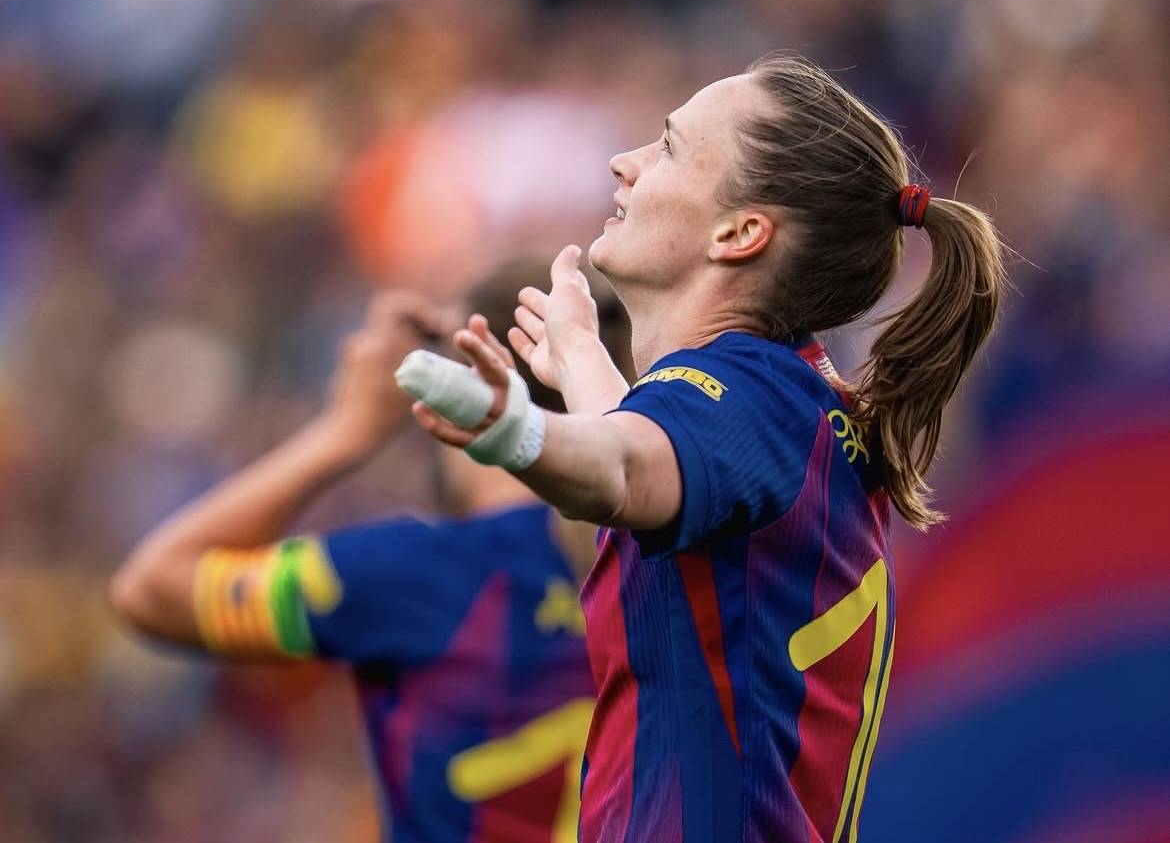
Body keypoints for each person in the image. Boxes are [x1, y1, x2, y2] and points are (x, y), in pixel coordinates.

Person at [410, 53, 1005, 843]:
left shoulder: (751, 395)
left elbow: (622, 471)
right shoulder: (781, 400)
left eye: (667, 147)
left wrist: (512, 430)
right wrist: (584, 359)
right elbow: (643, 463)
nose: (624, 164)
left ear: (740, 232)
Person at [109, 258, 632, 843]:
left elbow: (149, 590)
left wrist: (344, 431)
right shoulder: (665, 558)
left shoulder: (417, 572)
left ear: (461, 387)